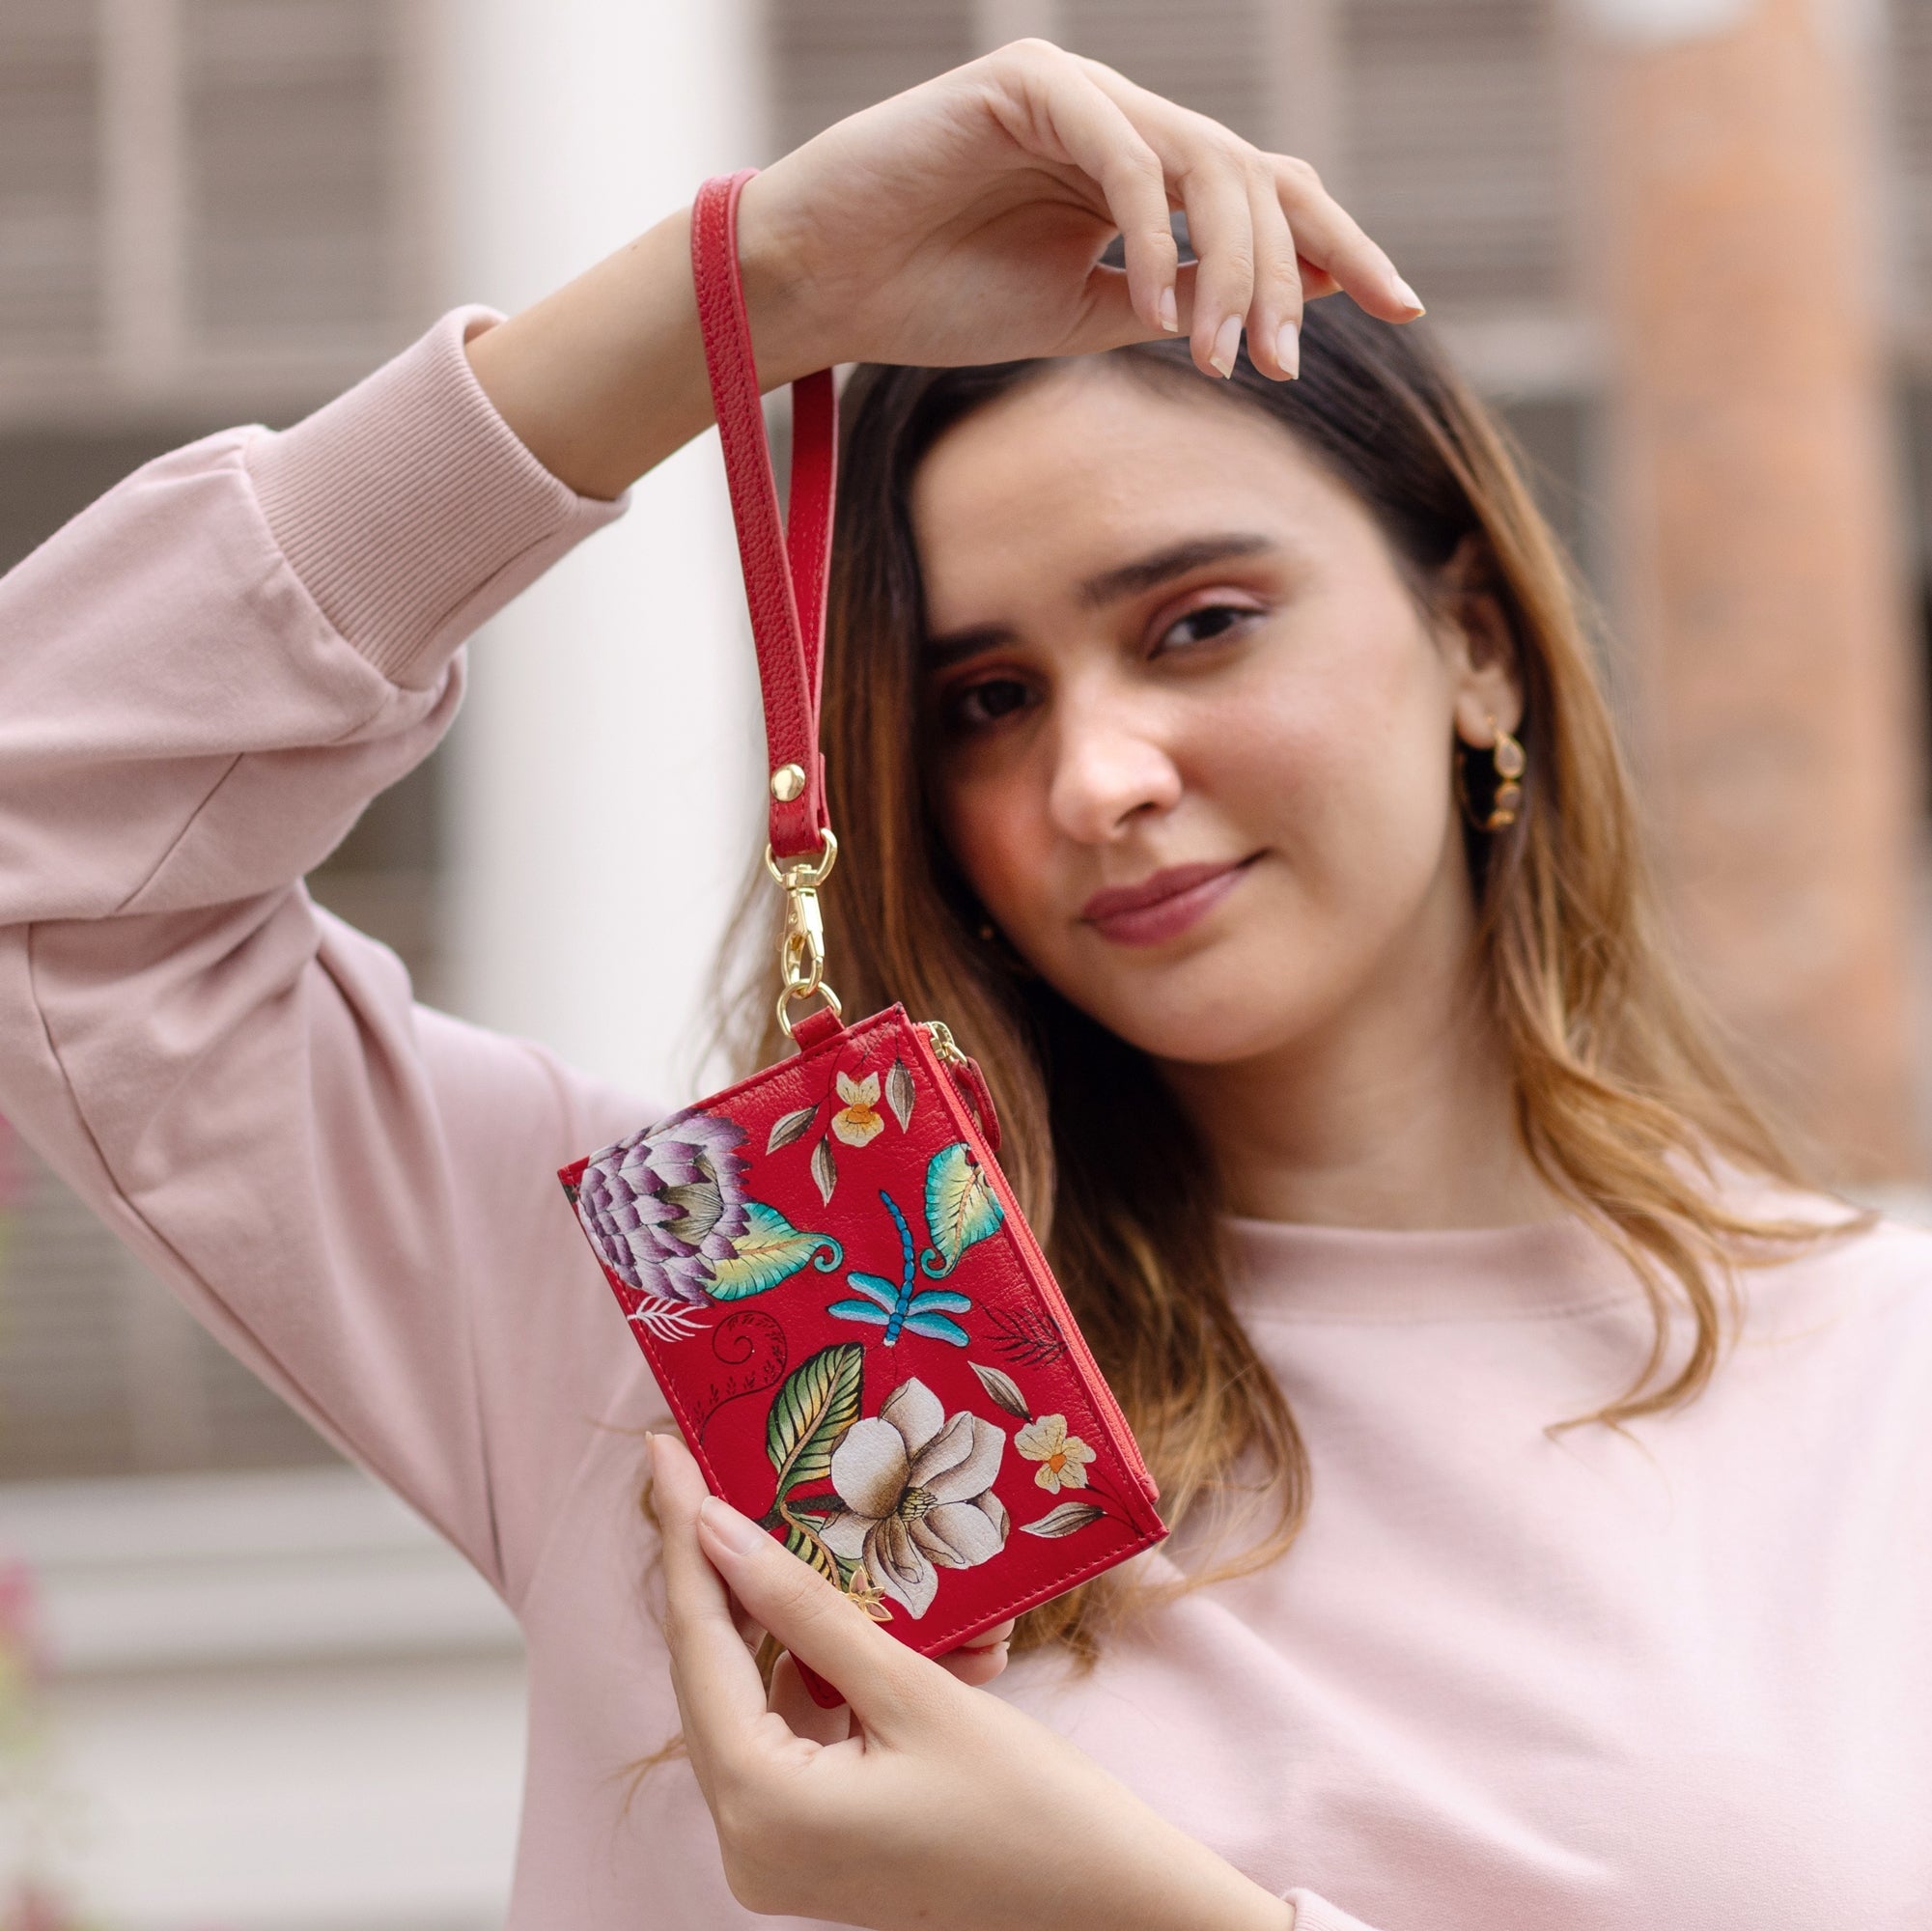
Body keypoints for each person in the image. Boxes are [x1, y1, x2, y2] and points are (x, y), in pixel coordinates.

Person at [1, 38, 1927, 1931]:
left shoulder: (1873, 1381)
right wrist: (742, 293)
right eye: (985, 703)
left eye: (1200, 625)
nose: (1096, 780)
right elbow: (50, 856)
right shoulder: (717, 1320)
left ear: (1476, 647)